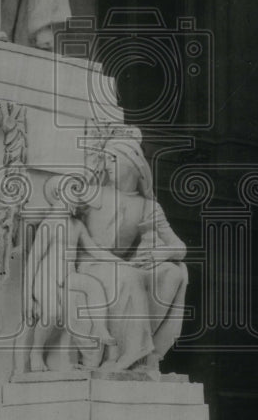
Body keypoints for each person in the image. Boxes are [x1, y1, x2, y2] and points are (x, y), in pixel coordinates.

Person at [78, 135, 188, 377]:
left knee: (173, 273)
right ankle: (131, 352)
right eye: (105, 160)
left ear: (130, 162)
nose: (107, 165)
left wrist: (163, 253)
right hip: (91, 264)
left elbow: (179, 246)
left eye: (112, 159)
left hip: (122, 266)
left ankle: (146, 352)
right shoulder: (94, 194)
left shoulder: (148, 207)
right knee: (128, 276)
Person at [25, 177, 119, 372]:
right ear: (59, 194)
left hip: (68, 276)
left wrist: (119, 261)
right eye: (73, 192)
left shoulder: (76, 225)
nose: (77, 198)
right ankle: (36, 352)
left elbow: (94, 250)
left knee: (94, 286)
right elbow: (34, 260)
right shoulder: (49, 224)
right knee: (52, 313)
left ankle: (100, 327)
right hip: (46, 277)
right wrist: (28, 298)